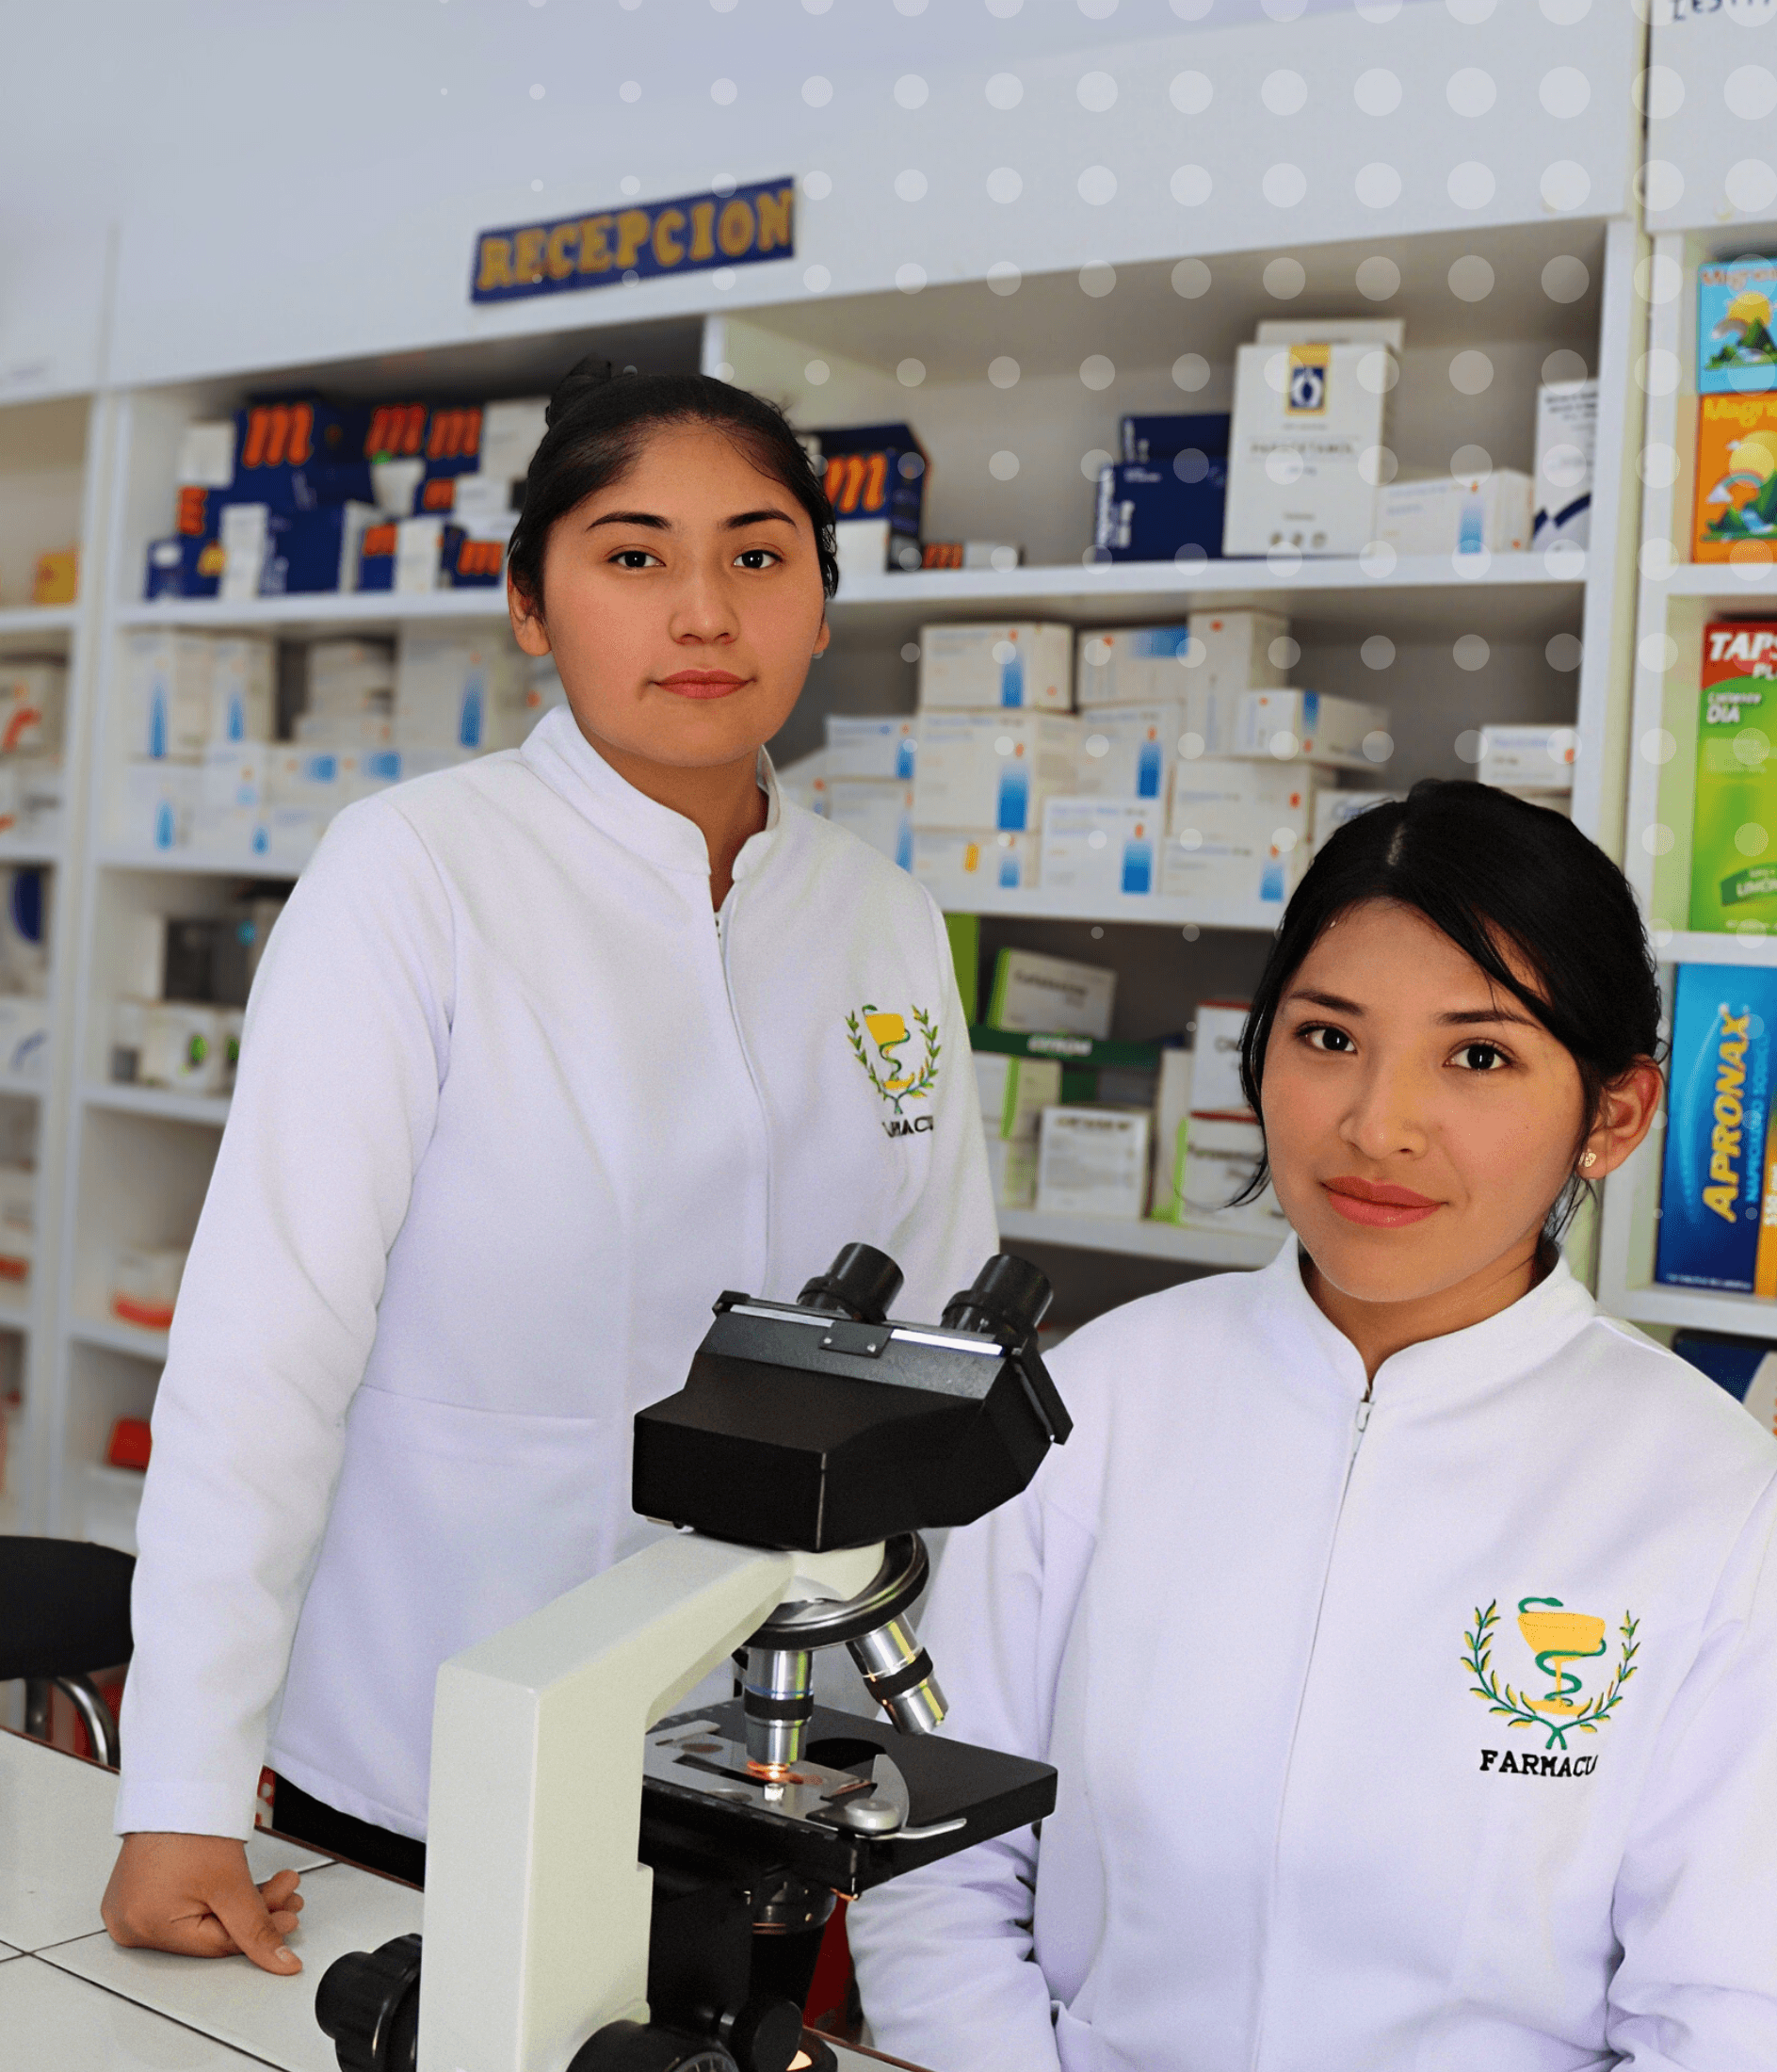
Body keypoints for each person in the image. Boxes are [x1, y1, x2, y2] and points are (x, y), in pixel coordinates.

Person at [102, 364, 994, 1975]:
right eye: (633, 555)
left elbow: (937, 1366)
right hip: (423, 1750)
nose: (704, 613)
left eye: (759, 554)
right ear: (530, 603)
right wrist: (177, 1788)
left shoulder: (883, 921)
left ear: (819, 605)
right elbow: (264, 1352)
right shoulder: (415, 874)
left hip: (770, 1769)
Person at [849, 780, 1777, 2070]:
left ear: (1612, 1115)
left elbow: (1726, 2014)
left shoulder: (1710, 1494)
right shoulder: (1096, 1402)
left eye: (1478, 1055)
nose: (1374, 1127)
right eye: (1329, 1038)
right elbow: (936, 1865)